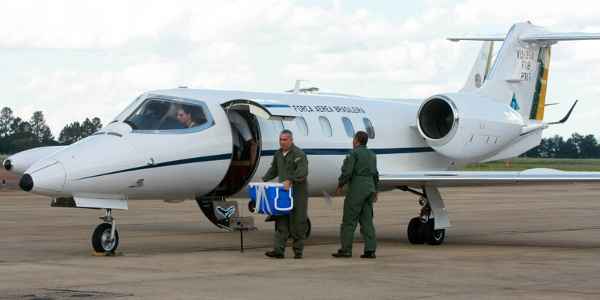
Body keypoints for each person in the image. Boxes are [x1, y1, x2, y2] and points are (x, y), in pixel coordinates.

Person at [262, 129, 309, 259]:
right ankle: (278, 250)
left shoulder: (299, 154)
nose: (282, 142)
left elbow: (302, 172)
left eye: (284, 140)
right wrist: (263, 180)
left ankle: (298, 252)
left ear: (291, 140)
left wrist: (291, 180)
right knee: (281, 220)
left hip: (297, 193)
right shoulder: (278, 154)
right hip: (283, 193)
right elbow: (274, 169)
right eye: (280, 140)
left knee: (298, 222)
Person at [332, 131, 379, 259]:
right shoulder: (372, 155)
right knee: (367, 220)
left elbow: (347, 172)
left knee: (349, 221)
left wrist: (340, 184)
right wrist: (375, 190)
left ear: (357, 140)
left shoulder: (354, 154)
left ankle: (346, 249)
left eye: (354, 139)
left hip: (357, 189)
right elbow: (375, 174)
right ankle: (370, 250)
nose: (353, 141)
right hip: (369, 188)